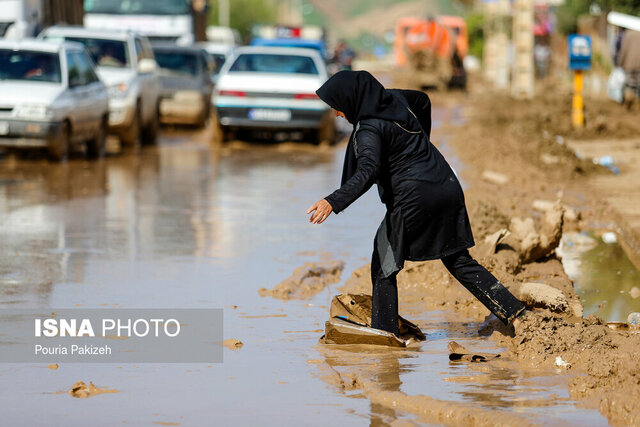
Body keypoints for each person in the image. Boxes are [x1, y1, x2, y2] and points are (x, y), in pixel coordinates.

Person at [306, 70, 526, 336]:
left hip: (414, 197)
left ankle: (386, 334)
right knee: (457, 259)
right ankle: (515, 313)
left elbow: (367, 172)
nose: (337, 114)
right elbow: (422, 100)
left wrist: (332, 201)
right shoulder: (395, 102)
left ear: (351, 100)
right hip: (445, 184)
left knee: (384, 265)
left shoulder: (369, 129)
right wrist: (420, 144)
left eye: (337, 107)